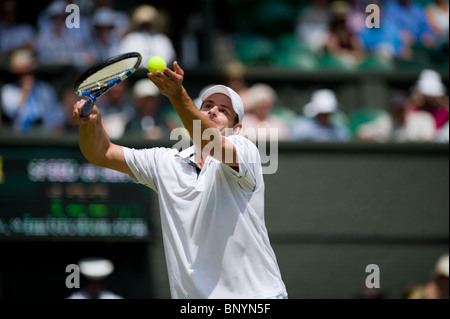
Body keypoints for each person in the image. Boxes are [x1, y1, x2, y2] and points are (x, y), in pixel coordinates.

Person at [72, 61, 288, 299]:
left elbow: (210, 141)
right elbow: (101, 153)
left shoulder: (246, 151)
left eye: (224, 111)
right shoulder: (165, 162)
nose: (214, 111)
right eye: (207, 106)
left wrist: (177, 95)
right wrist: (91, 123)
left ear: (237, 128)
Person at [1, 49, 64, 133]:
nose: (26, 76)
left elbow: (54, 113)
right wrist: (25, 91)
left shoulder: (45, 88)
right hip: (19, 133)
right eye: (22, 73)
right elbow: (11, 113)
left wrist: (55, 125)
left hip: (44, 132)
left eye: (29, 72)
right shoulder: (8, 90)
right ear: (16, 75)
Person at [119, 5, 176, 69]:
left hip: (160, 75)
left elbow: (169, 57)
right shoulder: (130, 39)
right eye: (144, 24)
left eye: (149, 24)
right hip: (135, 76)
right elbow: (126, 59)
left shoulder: (163, 39)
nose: (146, 27)